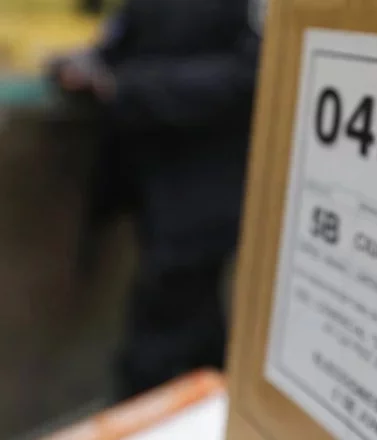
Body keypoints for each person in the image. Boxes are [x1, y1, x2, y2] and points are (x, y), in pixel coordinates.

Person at [51, 0, 260, 400]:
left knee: (161, 340)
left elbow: (249, 74)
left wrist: (128, 86)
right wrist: (84, 65)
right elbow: (122, 40)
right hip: (151, 187)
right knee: (195, 328)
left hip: (205, 187)